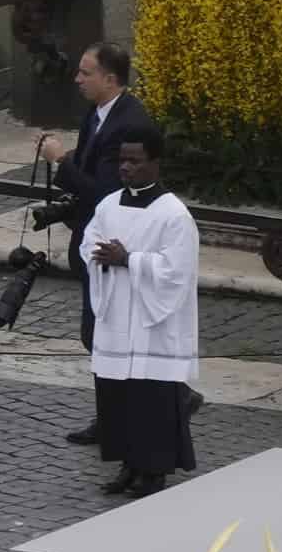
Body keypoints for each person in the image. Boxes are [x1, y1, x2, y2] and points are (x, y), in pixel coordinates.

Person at [75, 122, 203, 497]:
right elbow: (88, 243)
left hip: (152, 323)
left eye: (135, 161)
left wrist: (129, 259)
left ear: (155, 162)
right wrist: (100, 256)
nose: (126, 168)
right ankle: (128, 466)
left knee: (152, 401)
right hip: (117, 316)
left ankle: (155, 471)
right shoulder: (108, 204)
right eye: (122, 160)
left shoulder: (174, 214)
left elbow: (177, 271)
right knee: (118, 397)